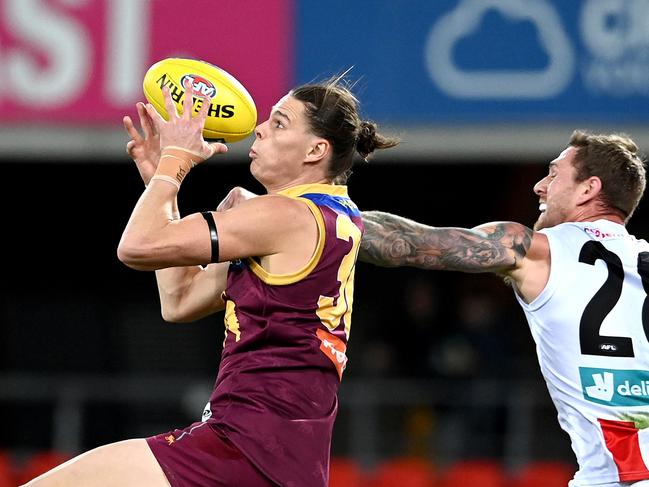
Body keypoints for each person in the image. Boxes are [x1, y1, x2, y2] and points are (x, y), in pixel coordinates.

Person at [23, 76, 399, 487]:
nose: (260, 128)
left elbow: (136, 247)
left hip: (245, 448)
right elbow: (180, 300)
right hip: (282, 459)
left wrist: (176, 161)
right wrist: (159, 185)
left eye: (279, 123)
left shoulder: (283, 216)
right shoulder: (330, 218)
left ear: (315, 150)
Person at [357, 130, 649, 487]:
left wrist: (315, 215)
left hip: (615, 478)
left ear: (588, 189)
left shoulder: (536, 251)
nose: (539, 186)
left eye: (554, 174)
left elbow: (408, 244)